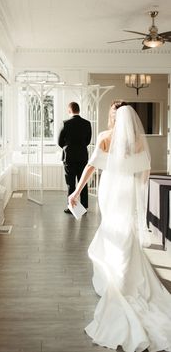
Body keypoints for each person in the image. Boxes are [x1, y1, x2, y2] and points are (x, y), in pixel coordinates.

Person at [68, 101, 171, 352]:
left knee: (111, 230)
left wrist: (76, 192)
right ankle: (125, 273)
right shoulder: (137, 141)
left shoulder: (105, 137)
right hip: (128, 192)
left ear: (113, 117)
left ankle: (112, 277)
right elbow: (145, 172)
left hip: (109, 192)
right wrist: (136, 190)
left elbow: (90, 167)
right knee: (126, 233)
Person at [58, 102, 91, 214]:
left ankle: (71, 207)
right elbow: (88, 141)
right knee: (83, 182)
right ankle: (85, 207)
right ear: (79, 110)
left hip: (69, 158)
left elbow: (59, 141)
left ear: (69, 110)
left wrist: (68, 147)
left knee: (70, 184)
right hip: (82, 157)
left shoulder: (65, 123)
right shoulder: (87, 123)